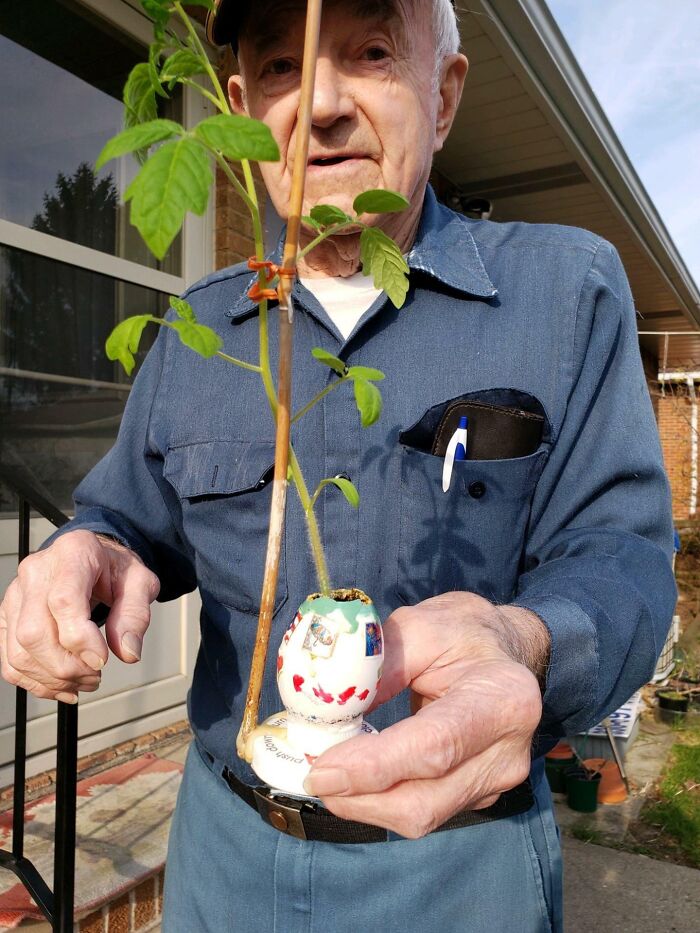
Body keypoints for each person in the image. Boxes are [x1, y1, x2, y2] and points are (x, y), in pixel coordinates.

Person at [0, 1, 676, 930]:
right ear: (237, 105)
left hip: (456, 863)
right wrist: (85, 555)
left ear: (444, 96)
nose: (318, 103)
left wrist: (524, 641)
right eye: (280, 66)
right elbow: (125, 521)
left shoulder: (566, 295)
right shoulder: (199, 331)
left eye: (370, 52)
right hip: (222, 854)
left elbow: (621, 557)